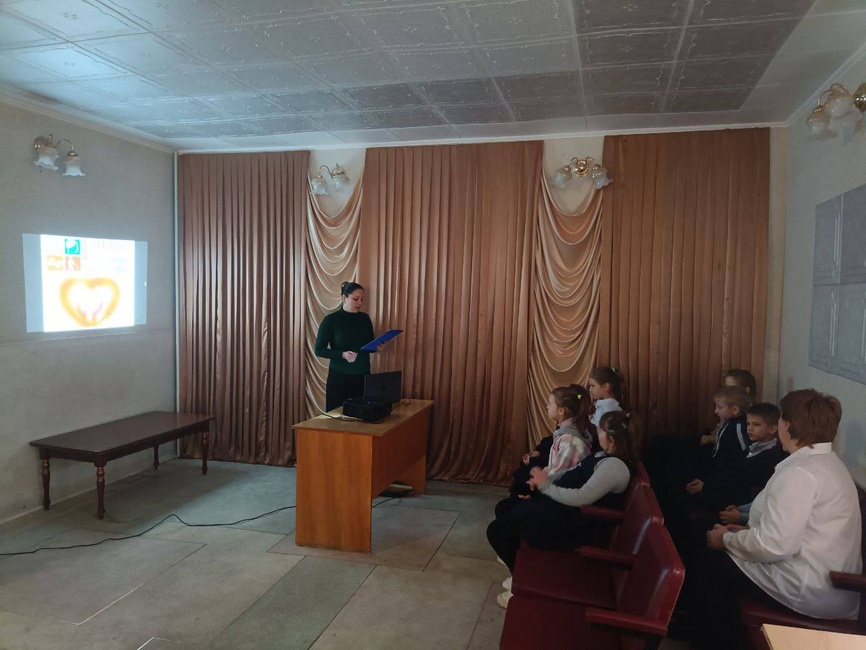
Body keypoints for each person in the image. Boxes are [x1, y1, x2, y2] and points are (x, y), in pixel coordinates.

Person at [687, 389, 862, 649]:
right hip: (820, 580)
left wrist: (727, 539)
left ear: (787, 425)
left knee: (707, 557)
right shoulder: (826, 462)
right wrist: (741, 532)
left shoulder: (801, 473)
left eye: (780, 418)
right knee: (710, 545)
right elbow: (789, 531)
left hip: (808, 588)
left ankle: (713, 640)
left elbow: (774, 545)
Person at [487, 410, 638, 608]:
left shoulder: (615, 467)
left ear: (611, 438)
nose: (597, 432)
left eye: (601, 429)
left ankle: (525, 582)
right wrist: (542, 481)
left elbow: (580, 497)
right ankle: (521, 572)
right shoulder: (604, 455)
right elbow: (572, 473)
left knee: (497, 530)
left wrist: (544, 487)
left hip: (574, 523)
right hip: (563, 507)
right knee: (506, 507)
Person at [503, 384, 593, 506]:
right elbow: (555, 468)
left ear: (561, 410)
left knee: (507, 504)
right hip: (553, 487)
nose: (547, 406)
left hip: (559, 497)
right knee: (516, 490)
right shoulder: (566, 433)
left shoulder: (570, 440)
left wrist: (537, 482)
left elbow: (561, 475)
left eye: (550, 404)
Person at [314, 281, 381, 411]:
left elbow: (369, 345)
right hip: (340, 378)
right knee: (336, 416)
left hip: (363, 376)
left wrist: (377, 347)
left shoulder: (365, 319)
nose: (359, 303)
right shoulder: (331, 320)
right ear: (344, 298)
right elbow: (319, 350)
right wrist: (342, 355)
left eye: (362, 299)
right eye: (355, 299)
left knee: (362, 415)